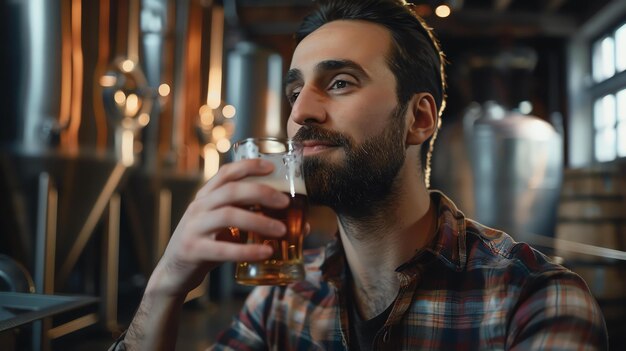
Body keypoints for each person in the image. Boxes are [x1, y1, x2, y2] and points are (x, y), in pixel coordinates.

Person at [110, 0, 608, 350]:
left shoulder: (535, 300)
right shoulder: (283, 299)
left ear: (419, 119)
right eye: (294, 92)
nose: (301, 113)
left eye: (340, 82)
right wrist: (165, 287)